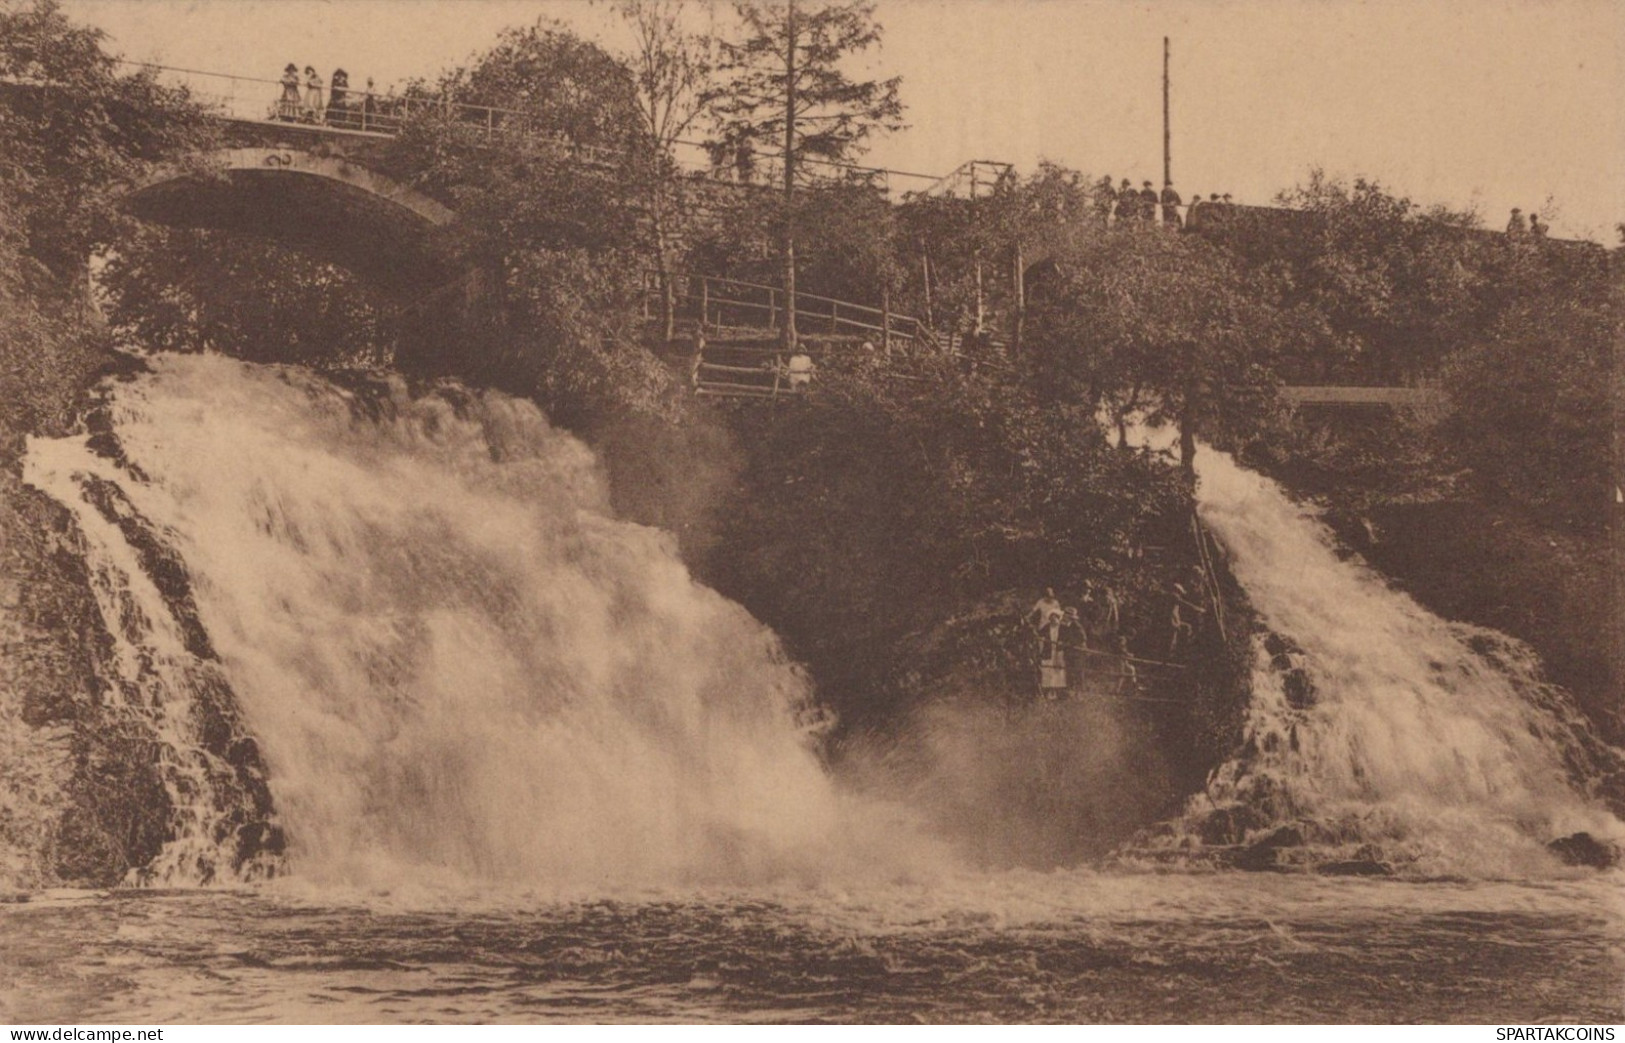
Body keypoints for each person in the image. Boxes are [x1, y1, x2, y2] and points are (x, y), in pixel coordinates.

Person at [1037, 610, 1068, 700]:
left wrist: (1063, 643)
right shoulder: (1047, 627)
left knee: (1058, 671)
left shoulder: (1063, 628)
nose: (1054, 620)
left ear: (1059, 618)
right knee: (1048, 670)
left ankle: (1057, 692)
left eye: (1055, 618)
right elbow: (1039, 635)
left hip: (1059, 652)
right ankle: (1048, 692)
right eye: (1052, 618)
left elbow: (1067, 638)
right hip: (1048, 651)